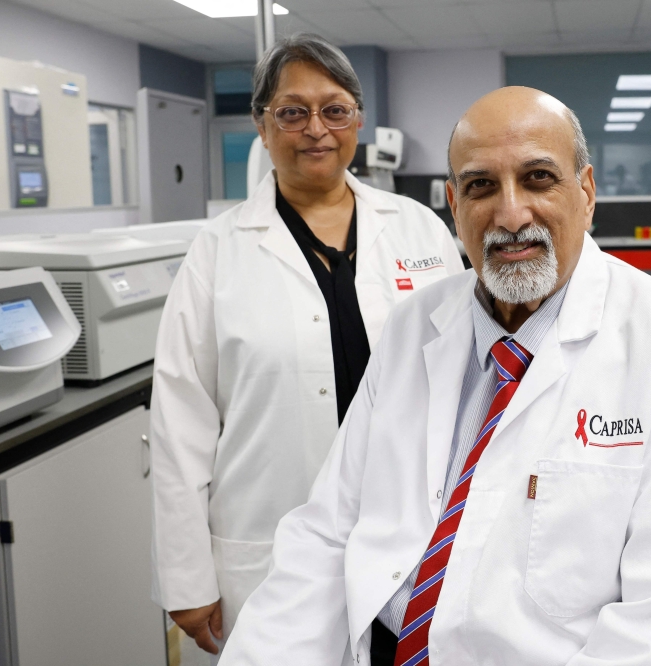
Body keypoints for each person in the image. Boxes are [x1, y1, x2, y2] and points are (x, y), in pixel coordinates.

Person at [219, 86, 651, 666]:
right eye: (480, 186)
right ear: (453, 204)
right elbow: (326, 533)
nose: (511, 214)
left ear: (587, 192)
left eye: (539, 178)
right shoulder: (411, 327)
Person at [149, 34, 464, 658]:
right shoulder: (218, 250)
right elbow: (180, 421)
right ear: (262, 126)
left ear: (359, 120)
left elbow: (465, 376)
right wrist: (186, 576)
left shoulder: (419, 229)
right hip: (269, 538)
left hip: (412, 531)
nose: (315, 129)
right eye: (292, 112)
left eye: (334, 109)